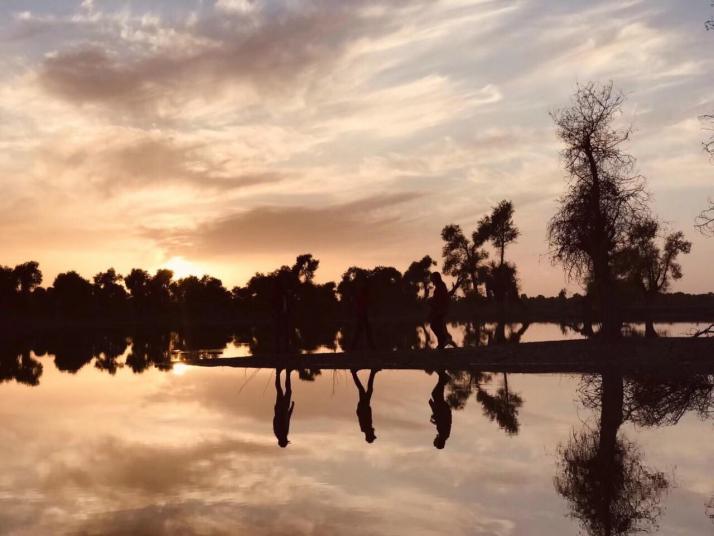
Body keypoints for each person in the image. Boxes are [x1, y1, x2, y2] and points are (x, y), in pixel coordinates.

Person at [428, 272, 456, 349]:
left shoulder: (440, 286)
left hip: (440, 310)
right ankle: (442, 343)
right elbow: (442, 298)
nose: (431, 279)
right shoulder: (440, 286)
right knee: (437, 326)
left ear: (435, 278)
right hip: (440, 310)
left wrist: (432, 302)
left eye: (432, 278)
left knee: (434, 325)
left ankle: (442, 341)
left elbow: (441, 299)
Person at [351, 369, 379, 443]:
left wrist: (365, 408)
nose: (373, 433)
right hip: (364, 406)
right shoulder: (366, 428)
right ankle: (372, 372)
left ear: (369, 435)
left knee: (365, 390)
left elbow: (362, 416)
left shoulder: (365, 428)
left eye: (372, 435)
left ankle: (355, 373)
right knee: (365, 390)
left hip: (363, 407)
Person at [350, 282, 376, 351]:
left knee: (361, 332)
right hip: (362, 315)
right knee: (363, 332)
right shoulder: (362, 297)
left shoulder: (361, 297)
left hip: (362, 315)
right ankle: (372, 347)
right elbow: (362, 307)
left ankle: (353, 348)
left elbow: (362, 306)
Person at [429, 370, 452, 449]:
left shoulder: (444, 434)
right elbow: (441, 418)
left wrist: (434, 420)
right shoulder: (443, 433)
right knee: (435, 393)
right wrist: (434, 409)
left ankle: (442, 376)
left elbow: (441, 420)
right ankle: (443, 377)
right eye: (435, 441)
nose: (435, 439)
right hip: (443, 409)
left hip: (444, 409)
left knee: (437, 393)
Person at [273, 368, 294, 447]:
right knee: (285, 391)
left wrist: (279, 411)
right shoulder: (282, 433)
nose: (287, 439)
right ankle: (287, 372)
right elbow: (287, 418)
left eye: (286, 440)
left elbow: (276, 419)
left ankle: (279, 373)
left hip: (281, 407)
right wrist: (291, 407)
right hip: (283, 407)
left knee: (281, 391)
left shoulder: (280, 432)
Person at [271, 275, 292, 353]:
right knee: (279, 331)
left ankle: (285, 349)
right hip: (279, 314)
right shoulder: (278, 294)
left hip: (284, 314)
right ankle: (279, 349)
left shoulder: (284, 294)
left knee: (284, 331)